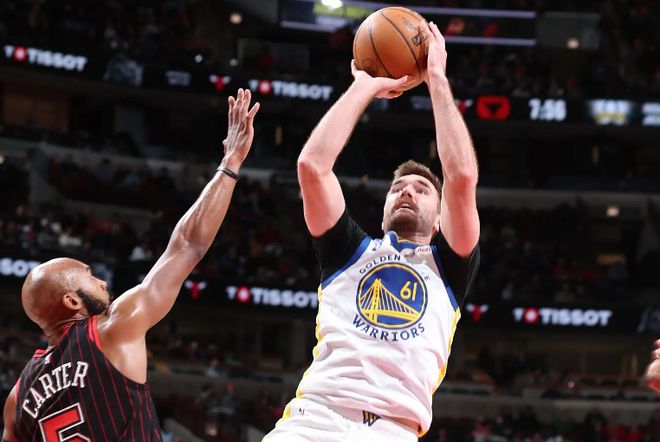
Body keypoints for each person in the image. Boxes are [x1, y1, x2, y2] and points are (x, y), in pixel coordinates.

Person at [1, 89, 260, 441]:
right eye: (89, 277)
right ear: (72, 301)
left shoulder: (18, 397)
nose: (103, 283)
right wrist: (230, 164)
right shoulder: (112, 329)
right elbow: (188, 245)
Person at [264, 22, 479, 441]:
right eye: (398, 188)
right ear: (382, 214)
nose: (407, 191)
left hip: (391, 430)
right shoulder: (348, 250)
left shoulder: (450, 265)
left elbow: (462, 178)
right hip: (315, 417)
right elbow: (312, 167)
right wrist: (365, 85)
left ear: (440, 219)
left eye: (421, 190)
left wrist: (436, 78)